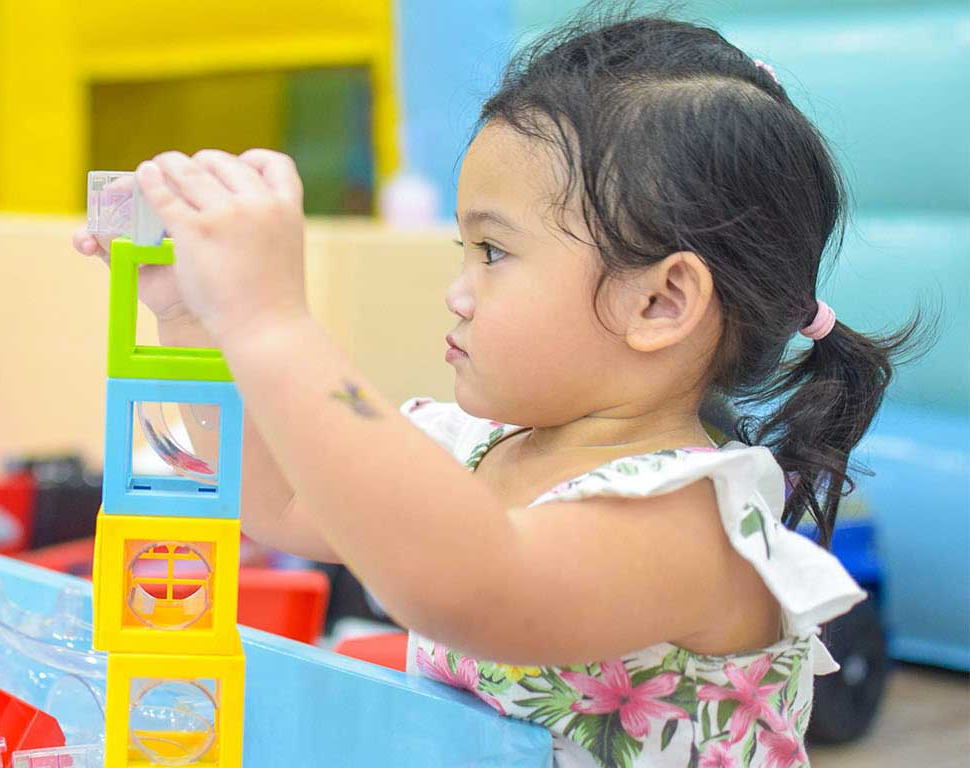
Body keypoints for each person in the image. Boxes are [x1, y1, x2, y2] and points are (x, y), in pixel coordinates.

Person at [73, 11, 921, 766]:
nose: (459, 291)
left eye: (493, 251)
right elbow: (279, 500)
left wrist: (274, 323)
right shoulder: (475, 448)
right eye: (464, 249)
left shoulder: (690, 521)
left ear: (660, 303)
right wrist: (195, 316)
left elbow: (470, 588)